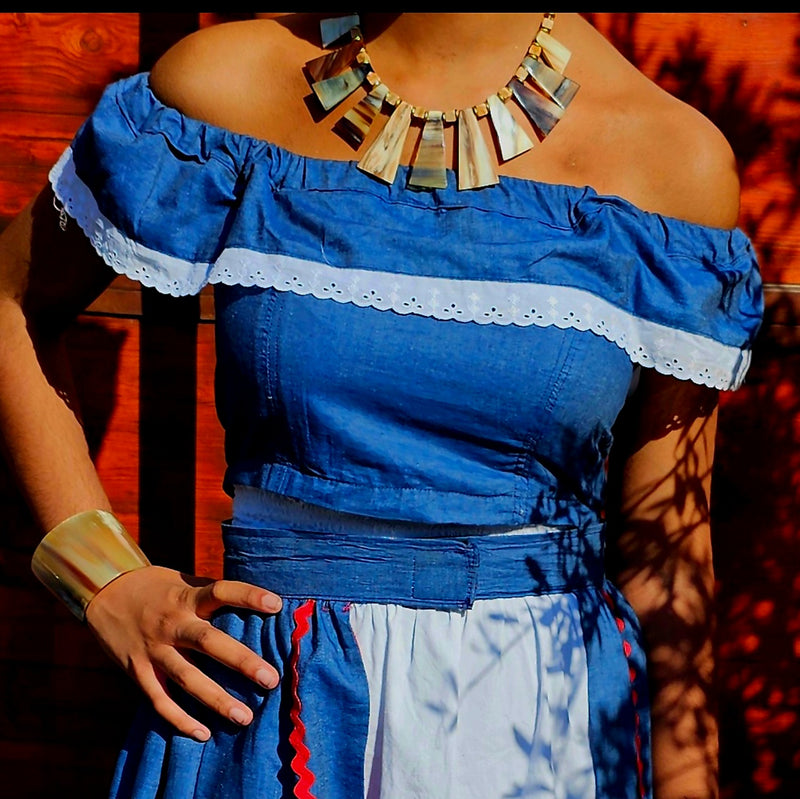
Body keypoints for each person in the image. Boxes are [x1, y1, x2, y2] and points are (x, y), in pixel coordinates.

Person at [0, 12, 762, 799]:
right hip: (267, 720)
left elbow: (667, 551)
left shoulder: (671, 163)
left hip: (542, 734)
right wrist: (102, 578)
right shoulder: (227, 87)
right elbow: (9, 303)